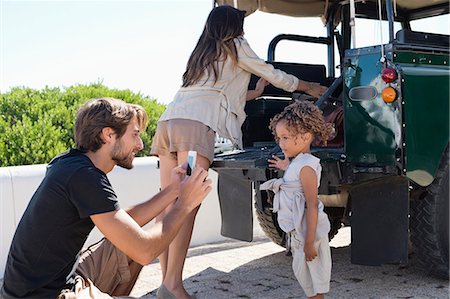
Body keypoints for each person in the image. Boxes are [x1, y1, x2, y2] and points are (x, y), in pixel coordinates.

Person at [150, 5, 327, 299]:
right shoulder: (236, 45)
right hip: (195, 129)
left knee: (171, 205)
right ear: (234, 27)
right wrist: (308, 87)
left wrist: (253, 94)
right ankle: (173, 286)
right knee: (187, 205)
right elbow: (272, 73)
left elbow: (214, 91)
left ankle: (165, 284)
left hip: (168, 125)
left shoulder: (203, 53)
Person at [0, 97, 212, 298]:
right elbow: (146, 252)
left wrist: (173, 190)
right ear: (108, 135)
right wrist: (184, 205)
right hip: (42, 295)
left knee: (128, 238)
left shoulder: (71, 164)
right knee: (138, 245)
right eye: (134, 135)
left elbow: (124, 220)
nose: (139, 145)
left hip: (63, 279)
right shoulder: (84, 176)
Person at [260, 100, 333, 299]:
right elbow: (296, 180)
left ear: (305, 137)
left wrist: (309, 242)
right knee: (306, 278)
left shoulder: (307, 167)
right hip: (300, 233)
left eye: (286, 137)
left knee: (314, 283)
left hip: (307, 234)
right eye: (279, 137)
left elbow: (312, 205)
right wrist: (287, 168)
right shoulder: (299, 163)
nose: (280, 143)